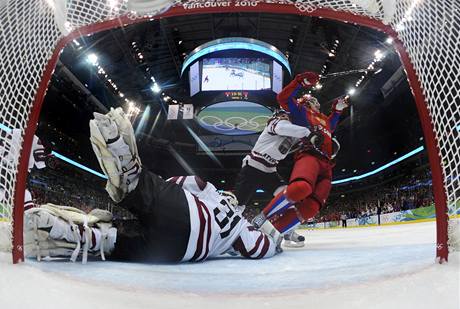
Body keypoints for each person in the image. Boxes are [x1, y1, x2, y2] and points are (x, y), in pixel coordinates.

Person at [23, 108, 283, 263]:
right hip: (180, 248)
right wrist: (275, 244)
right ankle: (78, 234)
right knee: (113, 239)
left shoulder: (213, 193)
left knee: (142, 187)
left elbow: (193, 181)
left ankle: (132, 176)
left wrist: (159, 189)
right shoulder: (240, 228)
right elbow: (255, 248)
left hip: (186, 208)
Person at [253, 71, 349, 239]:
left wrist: (337, 110)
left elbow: (330, 126)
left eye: (316, 101)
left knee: (311, 208)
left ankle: (274, 233)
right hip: (309, 155)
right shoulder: (301, 112)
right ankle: (260, 220)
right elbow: (283, 98)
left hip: (327, 165)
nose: (316, 102)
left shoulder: (324, 119)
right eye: (311, 99)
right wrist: (300, 82)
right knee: (300, 188)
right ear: (304, 102)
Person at [234, 108, 323, 246]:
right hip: (253, 167)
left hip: (269, 170)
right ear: (276, 116)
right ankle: (227, 233)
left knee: (289, 196)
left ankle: (288, 232)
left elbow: (302, 143)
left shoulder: (291, 134)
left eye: (287, 116)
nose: (285, 117)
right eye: (283, 115)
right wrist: (308, 133)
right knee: (238, 206)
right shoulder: (274, 124)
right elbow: (289, 129)